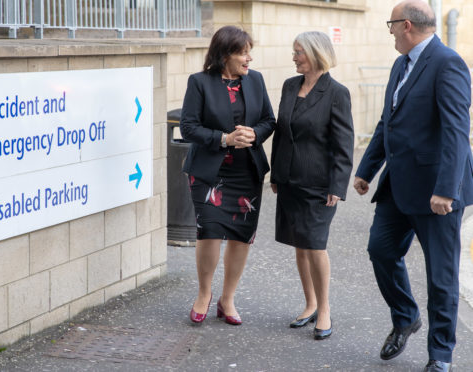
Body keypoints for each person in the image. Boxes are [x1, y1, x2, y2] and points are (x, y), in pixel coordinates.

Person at [353, 1, 472, 371]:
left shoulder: (447, 62)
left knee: (441, 277)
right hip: (397, 185)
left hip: (437, 192)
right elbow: (387, 121)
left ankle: (440, 356)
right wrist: (366, 169)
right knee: (381, 251)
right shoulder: (400, 63)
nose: (388, 32)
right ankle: (405, 316)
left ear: (406, 25)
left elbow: (456, 131)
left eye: (390, 25)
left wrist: (447, 190)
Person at [180, 25, 275, 326]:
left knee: (240, 236)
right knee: (208, 230)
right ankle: (204, 294)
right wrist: (224, 139)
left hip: (246, 172)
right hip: (209, 173)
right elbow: (188, 127)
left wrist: (253, 133)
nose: (249, 58)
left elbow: (268, 120)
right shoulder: (199, 82)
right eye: (243, 52)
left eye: (250, 51)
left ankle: (228, 299)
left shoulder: (256, 80)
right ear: (225, 55)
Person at [270, 31, 354, 340]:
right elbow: (281, 133)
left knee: (316, 245)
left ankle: (325, 309)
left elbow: (344, 145)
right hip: (290, 180)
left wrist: (337, 185)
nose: (293, 57)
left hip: (320, 185)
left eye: (298, 52)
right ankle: (310, 304)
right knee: (300, 243)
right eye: (293, 52)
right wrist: (276, 175)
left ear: (315, 53)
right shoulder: (290, 86)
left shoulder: (336, 93)